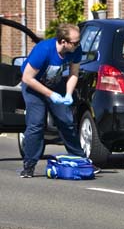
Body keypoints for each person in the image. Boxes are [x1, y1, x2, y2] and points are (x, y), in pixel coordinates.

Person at [19, 23, 85, 177]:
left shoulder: (75, 50)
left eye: (79, 41)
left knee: (66, 121)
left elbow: (74, 73)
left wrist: (68, 94)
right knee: (36, 124)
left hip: (55, 85)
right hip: (33, 87)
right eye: (75, 42)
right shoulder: (44, 49)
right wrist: (51, 95)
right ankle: (29, 166)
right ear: (63, 42)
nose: (78, 45)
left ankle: (80, 160)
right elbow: (27, 78)